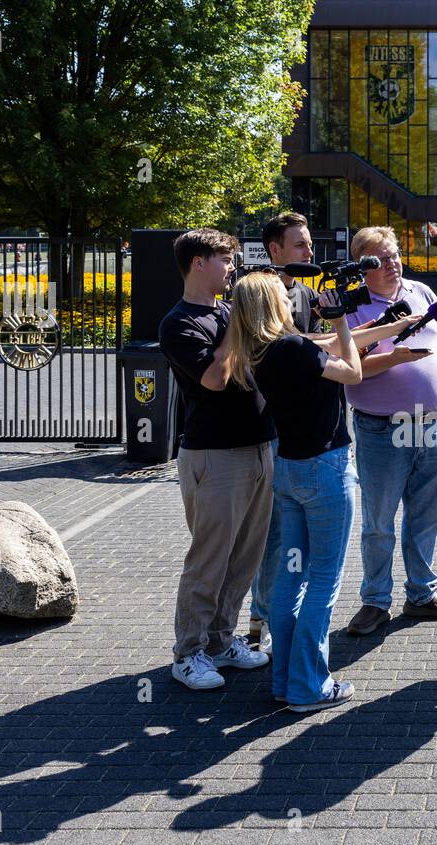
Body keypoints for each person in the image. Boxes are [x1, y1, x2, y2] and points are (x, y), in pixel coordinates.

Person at [232, 271, 420, 712]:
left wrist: (389, 327)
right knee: (324, 582)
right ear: (270, 305)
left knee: (291, 578)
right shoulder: (293, 347)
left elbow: (332, 347)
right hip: (324, 472)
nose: (289, 299)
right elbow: (352, 369)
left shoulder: (262, 350)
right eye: (282, 295)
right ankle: (309, 687)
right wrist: (338, 321)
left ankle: (285, 680)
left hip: (290, 472)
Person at [158, 228, 272, 691]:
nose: (233, 269)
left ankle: (221, 643)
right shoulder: (179, 323)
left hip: (259, 448)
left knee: (245, 557)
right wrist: (236, 324)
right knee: (209, 558)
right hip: (214, 455)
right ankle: (187, 653)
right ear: (198, 262)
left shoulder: (227, 312)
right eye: (226, 259)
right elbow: (214, 379)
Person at [343, 225, 437, 636]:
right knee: (379, 522)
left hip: (430, 426)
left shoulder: (422, 292)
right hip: (382, 429)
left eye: (395, 254)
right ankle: (375, 601)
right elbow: (350, 369)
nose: (394, 263)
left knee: (425, 516)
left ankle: (421, 595)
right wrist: (395, 356)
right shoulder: (353, 307)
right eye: (382, 258)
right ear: (364, 266)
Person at [247, 212, 325, 653]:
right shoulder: (257, 295)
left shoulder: (313, 294)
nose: (309, 252)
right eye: (300, 245)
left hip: (308, 432)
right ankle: (262, 619)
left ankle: (277, 618)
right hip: (271, 434)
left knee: (302, 535)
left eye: (310, 244)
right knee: (275, 535)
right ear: (275, 250)